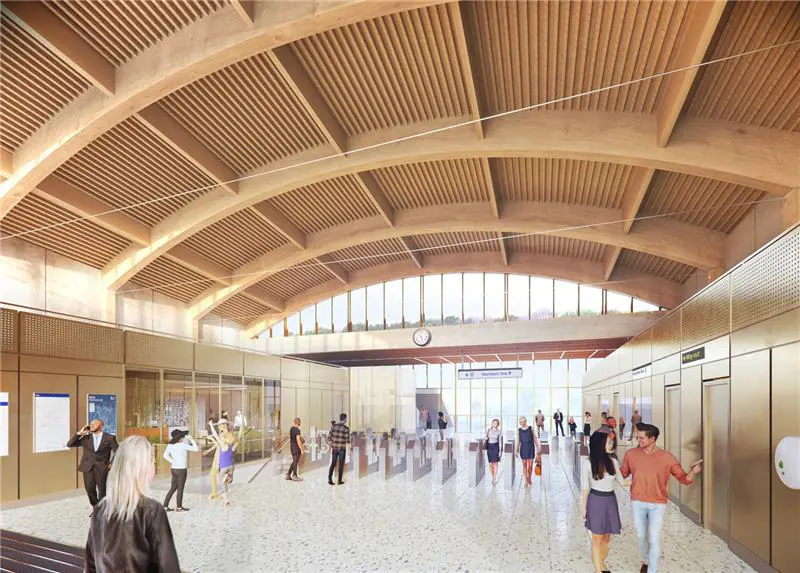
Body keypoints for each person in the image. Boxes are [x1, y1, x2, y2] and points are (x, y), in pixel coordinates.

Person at [85, 435, 180, 573]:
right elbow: (168, 567)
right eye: (152, 461)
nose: (154, 466)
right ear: (141, 468)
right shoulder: (152, 511)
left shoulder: (100, 509)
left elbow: (91, 565)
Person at [621, 424, 702, 573]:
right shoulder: (631, 454)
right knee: (640, 535)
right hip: (637, 501)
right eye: (637, 437)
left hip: (658, 504)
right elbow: (622, 473)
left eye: (641, 438)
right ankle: (645, 559)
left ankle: (651, 570)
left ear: (652, 439)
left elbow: (683, 479)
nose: (638, 440)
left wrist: (693, 472)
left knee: (654, 538)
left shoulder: (667, 457)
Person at [582, 431, 626, 573]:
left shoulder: (613, 461)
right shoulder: (587, 463)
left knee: (607, 537)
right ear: (599, 445)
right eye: (608, 442)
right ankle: (599, 570)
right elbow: (585, 487)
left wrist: (643, 479)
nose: (611, 444)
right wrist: (583, 507)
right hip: (595, 500)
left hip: (610, 500)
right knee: (596, 537)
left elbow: (622, 482)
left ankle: (599, 564)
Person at [66, 419, 119, 515]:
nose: (92, 425)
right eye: (91, 424)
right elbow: (69, 444)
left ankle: (100, 510)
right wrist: (79, 433)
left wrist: (112, 463)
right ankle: (95, 506)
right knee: (89, 489)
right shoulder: (86, 438)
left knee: (102, 490)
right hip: (87, 467)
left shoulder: (110, 438)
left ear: (101, 425)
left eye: (95, 423)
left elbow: (118, 451)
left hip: (102, 467)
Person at [162, 429, 199, 512]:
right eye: (182, 436)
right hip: (181, 470)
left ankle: (165, 506)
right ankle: (179, 507)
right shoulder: (183, 445)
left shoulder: (170, 445)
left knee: (173, 488)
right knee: (180, 489)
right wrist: (191, 439)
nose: (183, 438)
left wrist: (173, 461)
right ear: (180, 438)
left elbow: (165, 455)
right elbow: (196, 449)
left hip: (173, 469)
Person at [206, 419, 237, 506]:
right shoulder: (230, 444)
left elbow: (216, 435)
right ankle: (229, 477)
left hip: (224, 467)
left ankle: (226, 499)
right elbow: (234, 442)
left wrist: (211, 426)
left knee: (222, 482)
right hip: (232, 466)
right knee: (228, 481)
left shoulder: (222, 445)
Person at [515, 416, 540, 487]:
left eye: (523, 422)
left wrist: (538, 447)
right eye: (520, 422)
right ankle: (526, 480)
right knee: (524, 465)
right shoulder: (519, 430)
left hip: (530, 448)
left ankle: (529, 477)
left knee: (531, 466)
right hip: (523, 448)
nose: (522, 423)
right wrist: (516, 450)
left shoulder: (530, 428)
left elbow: (535, 438)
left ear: (525, 421)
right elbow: (518, 441)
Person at [328, 413, 350, 486]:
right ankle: (339, 481)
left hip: (334, 448)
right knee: (341, 464)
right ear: (345, 419)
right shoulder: (346, 429)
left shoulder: (333, 427)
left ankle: (329, 479)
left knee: (333, 463)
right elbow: (347, 441)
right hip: (342, 449)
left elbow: (329, 438)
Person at [286, 417, 304, 482]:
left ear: (294, 422)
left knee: (294, 461)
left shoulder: (291, 429)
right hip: (296, 448)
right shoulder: (297, 430)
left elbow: (295, 437)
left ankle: (288, 475)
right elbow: (298, 440)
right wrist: (301, 449)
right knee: (295, 462)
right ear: (299, 423)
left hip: (292, 447)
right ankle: (294, 475)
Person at [485, 419, 502, 486]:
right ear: (492, 423)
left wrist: (500, 451)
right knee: (490, 464)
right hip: (489, 447)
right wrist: (485, 438)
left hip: (495, 447)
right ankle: (493, 476)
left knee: (495, 463)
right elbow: (485, 437)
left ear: (498, 424)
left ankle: (494, 478)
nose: (495, 424)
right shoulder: (489, 430)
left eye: (496, 423)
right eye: (494, 423)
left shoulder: (499, 432)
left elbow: (500, 441)